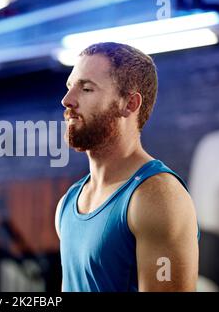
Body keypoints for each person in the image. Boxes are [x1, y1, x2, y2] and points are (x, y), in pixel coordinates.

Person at [55, 42, 199, 292]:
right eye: (70, 87)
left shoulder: (157, 197)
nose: (67, 101)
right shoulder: (68, 203)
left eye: (86, 89)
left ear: (129, 104)